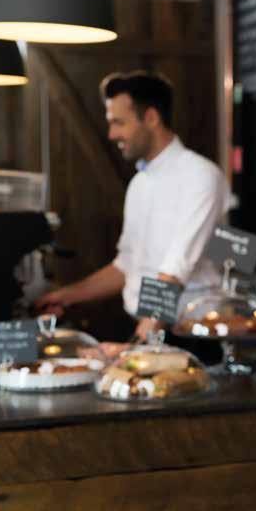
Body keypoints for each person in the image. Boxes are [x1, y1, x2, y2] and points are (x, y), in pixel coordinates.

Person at [36, 71, 229, 350]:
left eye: (119, 123)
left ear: (151, 118)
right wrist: (67, 296)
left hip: (189, 337)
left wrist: (136, 347)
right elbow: (127, 265)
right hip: (147, 328)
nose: (112, 134)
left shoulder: (200, 176)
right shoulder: (140, 183)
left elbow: (174, 272)